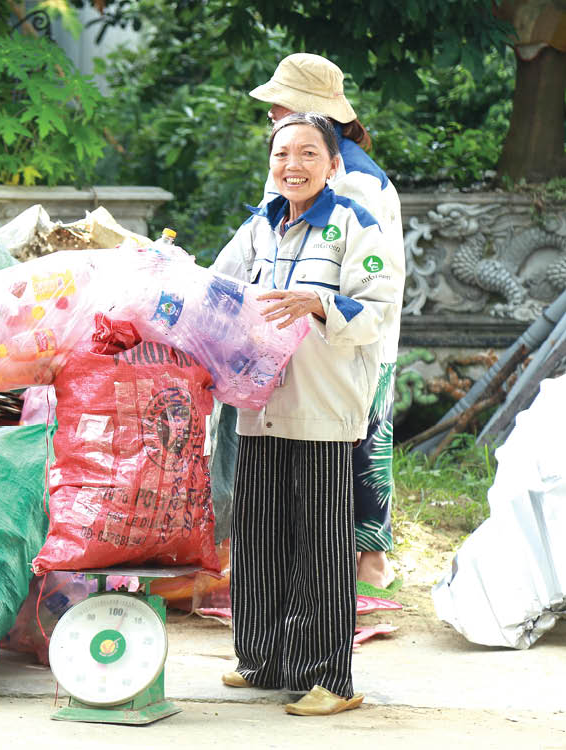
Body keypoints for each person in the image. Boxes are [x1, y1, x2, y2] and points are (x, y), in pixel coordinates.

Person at [212, 113, 403, 715]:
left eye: (307, 153)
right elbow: (216, 287)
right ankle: (264, 658)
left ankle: (331, 679)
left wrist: (318, 302)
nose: (291, 165)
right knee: (260, 537)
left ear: (333, 163)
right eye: (281, 155)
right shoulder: (257, 228)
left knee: (320, 544)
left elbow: (378, 309)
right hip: (261, 403)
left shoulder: (355, 224)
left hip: (324, 405)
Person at [250, 53, 405, 590]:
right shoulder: (332, 161)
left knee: (353, 448)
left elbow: (360, 276)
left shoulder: (349, 181)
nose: (271, 115)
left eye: (280, 106)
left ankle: (360, 566)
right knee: (363, 443)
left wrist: (316, 306)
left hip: (343, 336)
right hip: (325, 337)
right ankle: (361, 563)